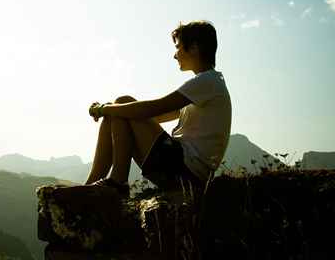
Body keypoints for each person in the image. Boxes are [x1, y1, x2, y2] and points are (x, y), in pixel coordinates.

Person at [84, 20, 232, 195]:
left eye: (178, 47)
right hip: (182, 169)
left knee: (123, 102)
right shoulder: (209, 84)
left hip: (185, 172)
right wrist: (111, 110)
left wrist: (104, 109)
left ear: (194, 48)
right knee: (121, 109)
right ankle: (90, 186)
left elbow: (154, 109)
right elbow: (153, 116)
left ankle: (118, 181)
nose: (175, 55)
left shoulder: (207, 81)